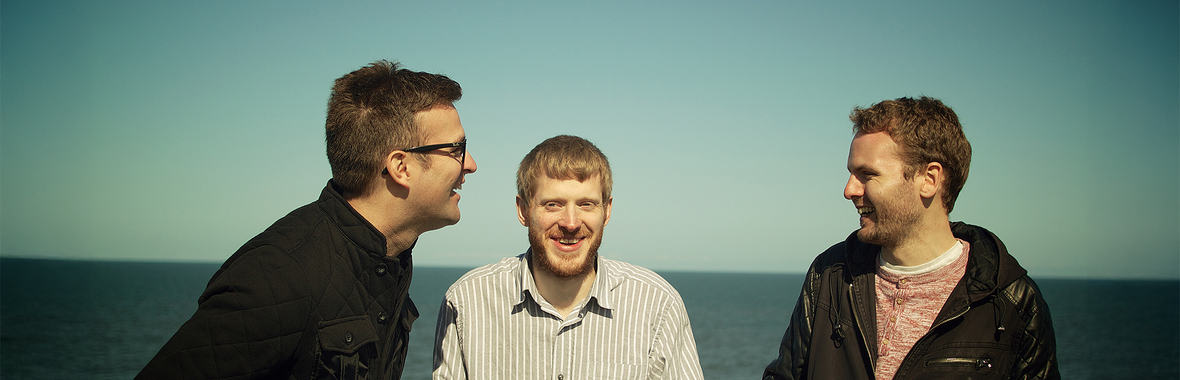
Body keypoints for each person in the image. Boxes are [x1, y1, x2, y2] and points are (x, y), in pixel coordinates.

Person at [137, 60, 478, 380]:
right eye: (456, 149)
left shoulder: (391, 259)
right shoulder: (277, 276)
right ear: (401, 167)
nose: (470, 164)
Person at [763, 97, 1059, 380]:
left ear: (929, 180)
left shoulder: (1012, 301)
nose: (849, 190)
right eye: (852, 173)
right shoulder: (829, 275)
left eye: (867, 174)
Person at [432, 135, 704, 380]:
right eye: (553, 204)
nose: (571, 223)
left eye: (586, 204)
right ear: (523, 210)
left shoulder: (657, 305)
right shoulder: (467, 302)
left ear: (607, 211)